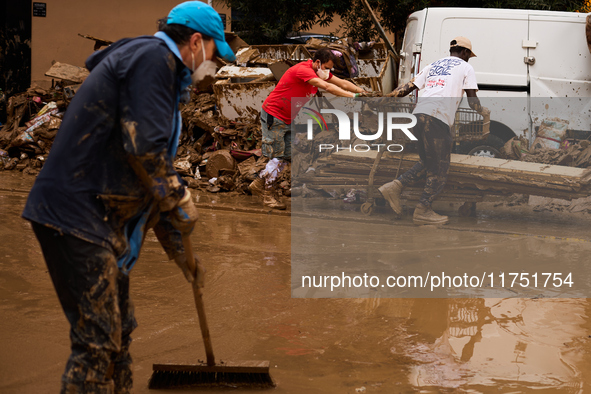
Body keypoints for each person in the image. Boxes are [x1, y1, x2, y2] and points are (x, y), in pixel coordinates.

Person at [21, 2, 234, 392]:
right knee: (97, 342)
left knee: (119, 333)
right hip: (77, 216)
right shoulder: (153, 60)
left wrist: (183, 256)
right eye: (214, 57)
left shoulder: (156, 78)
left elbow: (149, 183)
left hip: (99, 220)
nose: (212, 67)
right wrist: (179, 196)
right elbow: (145, 153)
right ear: (196, 42)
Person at [378, 37, 489, 225]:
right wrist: (483, 111)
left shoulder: (433, 65)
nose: (469, 58)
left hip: (419, 116)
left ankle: (394, 187)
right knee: (439, 169)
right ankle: (423, 210)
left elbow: (406, 88)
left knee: (428, 162)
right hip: (437, 118)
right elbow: (472, 101)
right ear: (465, 53)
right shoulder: (465, 67)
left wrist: (385, 98)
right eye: (469, 55)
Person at [249, 47, 368, 209]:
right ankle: (267, 194)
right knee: (278, 156)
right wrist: (355, 97)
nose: (328, 72)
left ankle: (259, 184)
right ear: (317, 63)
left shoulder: (319, 71)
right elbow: (328, 87)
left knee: (288, 155)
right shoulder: (303, 71)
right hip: (274, 115)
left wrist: (363, 91)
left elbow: (341, 83)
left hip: (288, 117)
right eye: (326, 68)